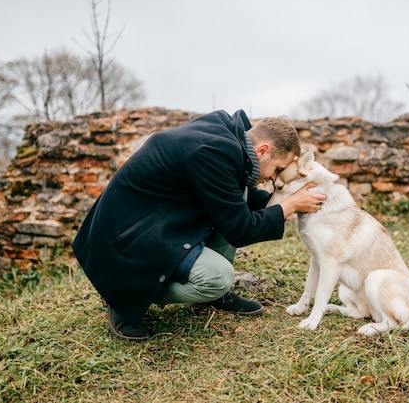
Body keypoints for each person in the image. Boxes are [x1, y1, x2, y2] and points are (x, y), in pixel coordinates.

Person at [72, 109, 326, 340]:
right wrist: (289, 206)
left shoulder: (227, 138)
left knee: (241, 193)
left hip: (158, 222)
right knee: (217, 278)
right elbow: (240, 228)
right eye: (278, 169)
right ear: (263, 151)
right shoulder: (215, 153)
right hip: (127, 239)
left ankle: (213, 297)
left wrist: (287, 198)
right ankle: (122, 294)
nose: (274, 178)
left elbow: (232, 201)